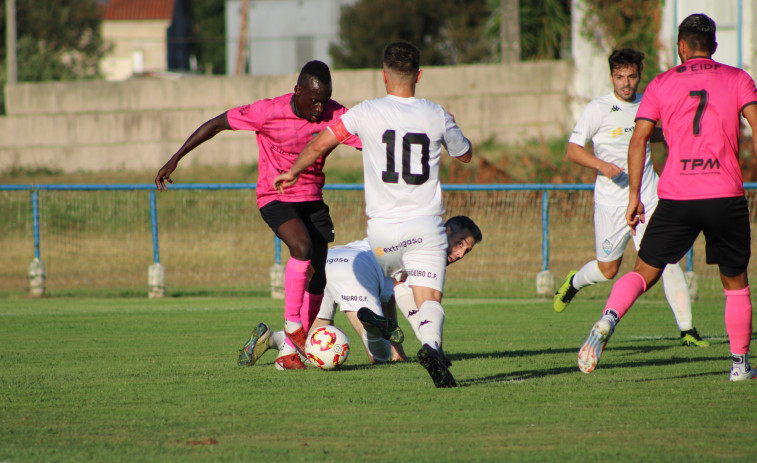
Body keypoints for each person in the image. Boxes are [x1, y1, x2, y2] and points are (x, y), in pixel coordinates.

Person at [273, 42, 474, 387]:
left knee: (397, 284)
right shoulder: (435, 113)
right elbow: (465, 154)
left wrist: (292, 172)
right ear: (419, 76)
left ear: (383, 77)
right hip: (424, 225)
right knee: (428, 300)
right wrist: (453, 127)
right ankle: (432, 347)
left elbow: (321, 143)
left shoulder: (364, 112)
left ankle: (394, 330)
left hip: (381, 234)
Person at [577, 14, 757, 381]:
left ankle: (608, 319)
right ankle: (739, 365)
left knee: (644, 271)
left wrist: (633, 197)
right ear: (714, 47)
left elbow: (639, 139)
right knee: (735, 282)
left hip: (676, 197)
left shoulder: (660, 84)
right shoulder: (738, 78)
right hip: (724, 194)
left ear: (680, 47)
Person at [154, 61, 362, 370]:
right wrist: (174, 159)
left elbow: (372, 141)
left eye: (325, 99)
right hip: (275, 195)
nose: (320, 107)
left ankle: (288, 353)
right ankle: (292, 326)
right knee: (301, 248)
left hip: (312, 199)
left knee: (319, 276)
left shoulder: (337, 114)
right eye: (314, 100)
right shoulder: (268, 111)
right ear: (298, 91)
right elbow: (216, 123)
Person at [554, 49, 708, 347]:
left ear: (640, 76)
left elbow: (653, 134)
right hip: (611, 203)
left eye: (632, 76)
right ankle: (573, 282)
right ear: (611, 76)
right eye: (620, 76)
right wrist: (602, 166)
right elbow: (573, 150)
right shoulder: (596, 108)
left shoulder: (648, 103)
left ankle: (687, 330)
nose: (626, 83)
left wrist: (680, 134)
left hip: (650, 197)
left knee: (667, 258)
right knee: (607, 270)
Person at [239, 215, 483, 368]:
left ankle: (270, 338)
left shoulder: (412, 234)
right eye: (460, 243)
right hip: (356, 270)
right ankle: (372, 326)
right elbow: (397, 300)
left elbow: (389, 296)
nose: (460, 254)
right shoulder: (426, 254)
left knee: (310, 347)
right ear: (447, 231)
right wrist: (400, 353)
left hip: (331, 259)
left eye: (467, 251)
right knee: (380, 357)